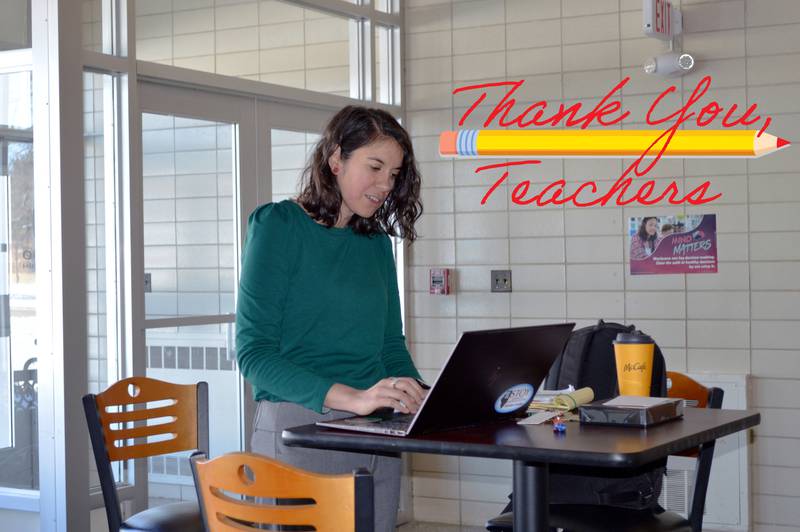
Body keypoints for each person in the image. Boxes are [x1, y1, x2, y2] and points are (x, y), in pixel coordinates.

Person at [236, 105, 426, 532]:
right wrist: (354, 398)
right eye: (375, 166)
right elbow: (255, 355)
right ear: (336, 159)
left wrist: (420, 395)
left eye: (394, 174)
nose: (385, 185)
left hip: (376, 435)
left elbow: (389, 346)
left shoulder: (375, 243)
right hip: (299, 430)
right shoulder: (277, 226)